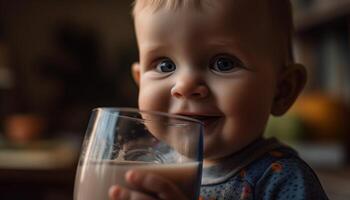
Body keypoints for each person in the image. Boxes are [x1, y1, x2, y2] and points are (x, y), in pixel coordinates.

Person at [109, 0, 329, 199]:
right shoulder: (141, 167)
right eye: (165, 65)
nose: (185, 86)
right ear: (140, 81)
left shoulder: (282, 179)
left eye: (223, 63)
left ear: (282, 90)